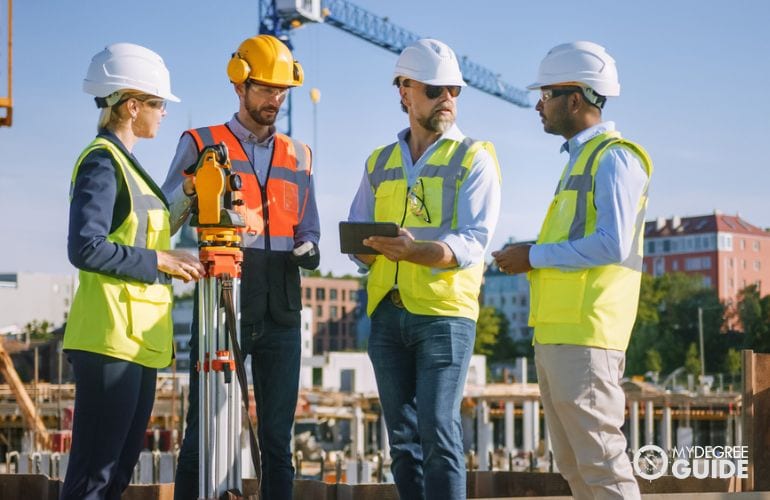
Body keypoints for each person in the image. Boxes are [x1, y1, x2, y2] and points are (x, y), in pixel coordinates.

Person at [493, 41, 653, 499]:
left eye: (545, 95)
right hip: (560, 335)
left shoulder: (615, 157)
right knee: (576, 468)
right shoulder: (580, 160)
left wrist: (533, 256)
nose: (539, 105)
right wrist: (530, 253)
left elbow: (611, 243)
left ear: (575, 99)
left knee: (602, 465)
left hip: (588, 335)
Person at [163, 34, 320, 500]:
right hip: (222, 301)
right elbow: (164, 221)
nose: (275, 99)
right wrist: (191, 189)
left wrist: (309, 246)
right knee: (203, 432)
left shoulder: (301, 155)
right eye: (266, 89)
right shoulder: (201, 143)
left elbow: (307, 225)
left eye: (281, 91)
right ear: (240, 85)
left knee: (277, 441)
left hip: (283, 308)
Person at [347, 38, 501, 500]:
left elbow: (473, 242)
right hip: (387, 314)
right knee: (403, 440)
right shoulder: (380, 161)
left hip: (444, 315)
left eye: (454, 90)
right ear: (405, 91)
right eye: (436, 90)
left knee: (439, 430)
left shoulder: (474, 157)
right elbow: (357, 235)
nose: (447, 100)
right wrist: (366, 248)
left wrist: (413, 252)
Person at [61, 43, 205, 500]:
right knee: (94, 477)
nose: (164, 113)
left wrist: (186, 193)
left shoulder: (130, 167)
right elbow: (86, 247)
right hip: (109, 340)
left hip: (139, 342)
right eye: (159, 104)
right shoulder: (103, 162)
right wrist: (159, 262)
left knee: (118, 472)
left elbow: (147, 230)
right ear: (132, 106)